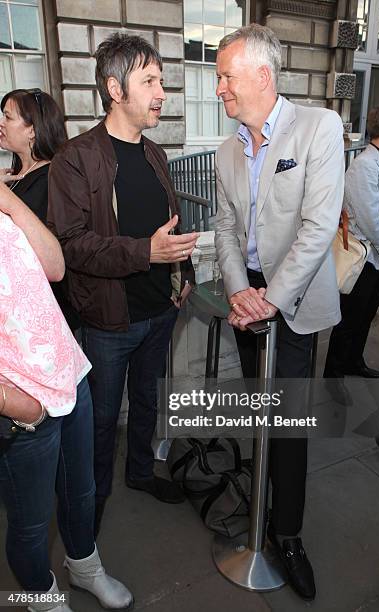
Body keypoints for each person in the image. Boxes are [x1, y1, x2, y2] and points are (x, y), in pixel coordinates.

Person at [47, 33, 198, 535]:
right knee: (99, 422)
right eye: (149, 81)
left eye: (160, 80)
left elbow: (168, 222)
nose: (161, 91)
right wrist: (144, 252)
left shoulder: (155, 153)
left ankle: (139, 474)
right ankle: (88, 517)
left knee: (148, 403)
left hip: (160, 313)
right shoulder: (75, 158)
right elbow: (69, 245)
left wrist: (183, 274)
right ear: (115, 88)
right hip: (109, 322)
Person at [214, 24, 345, 600]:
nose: (219, 87)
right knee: (258, 419)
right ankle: (258, 511)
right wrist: (242, 291)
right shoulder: (224, 150)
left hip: (291, 303)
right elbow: (224, 228)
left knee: (287, 429)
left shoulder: (320, 127)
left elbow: (318, 228)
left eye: (225, 76)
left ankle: (287, 536)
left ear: (262, 77)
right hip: (248, 300)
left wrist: (269, 298)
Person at [0, 181, 133, 611]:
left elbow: (55, 266)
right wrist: (13, 403)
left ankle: (85, 567)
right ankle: (41, 596)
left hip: (68, 374)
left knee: (81, 492)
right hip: (21, 403)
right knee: (31, 524)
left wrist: (7, 200)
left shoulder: (4, 206)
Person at [324, 104, 379, 379]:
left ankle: (353, 362)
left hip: (377, 255)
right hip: (362, 257)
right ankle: (333, 375)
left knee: (366, 315)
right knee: (349, 319)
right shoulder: (363, 167)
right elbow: (370, 219)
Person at [0, 88, 80, 332]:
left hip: (47, 318)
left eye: (8, 117)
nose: (1, 123)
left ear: (32, 130)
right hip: (24, 315)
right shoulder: (18, 177)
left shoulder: (51, 179)